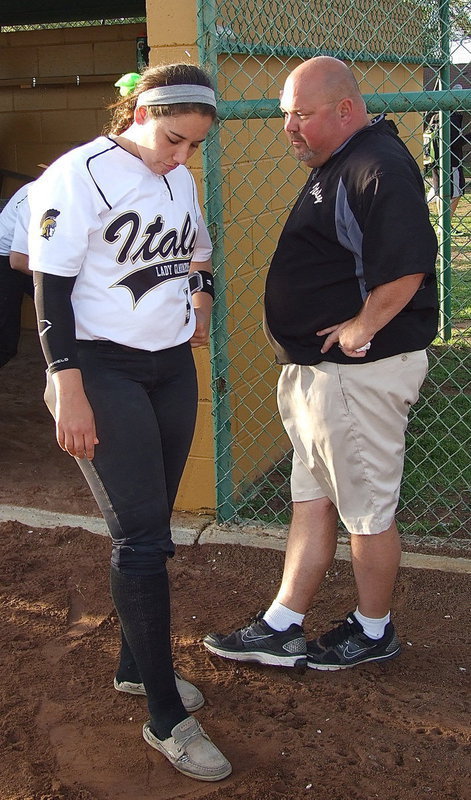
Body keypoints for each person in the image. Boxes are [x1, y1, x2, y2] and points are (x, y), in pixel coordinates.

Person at [29, 63, 231, 782]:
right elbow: (49, 293)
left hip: (170, 366)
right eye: (173, 138)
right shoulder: (76, 174)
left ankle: (131, 668)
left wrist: (200, 300)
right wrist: (66, 384)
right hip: (102, 369)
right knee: (140, 538)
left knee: (154, 523)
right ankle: (165, 719)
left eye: (192, 146)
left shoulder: (179, 177)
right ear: (138, 113)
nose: (179, 157)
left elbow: (197, 253)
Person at [204, 56, 438, 672]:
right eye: (286, 115)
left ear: (346, 108)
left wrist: (361, 327)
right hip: (318, 375)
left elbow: (409, 265)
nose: (290, 129)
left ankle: (374, 629)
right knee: (312, 499)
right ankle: (284, 624)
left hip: (357, 374)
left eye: (302, 115)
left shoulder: (377, 164)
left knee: (366, 509)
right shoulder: (342, 163)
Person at [0, 184, 34, 368]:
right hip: (6, 260)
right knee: (5, 343)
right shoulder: (41, 196)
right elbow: (18, 261)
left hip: (22, 258)